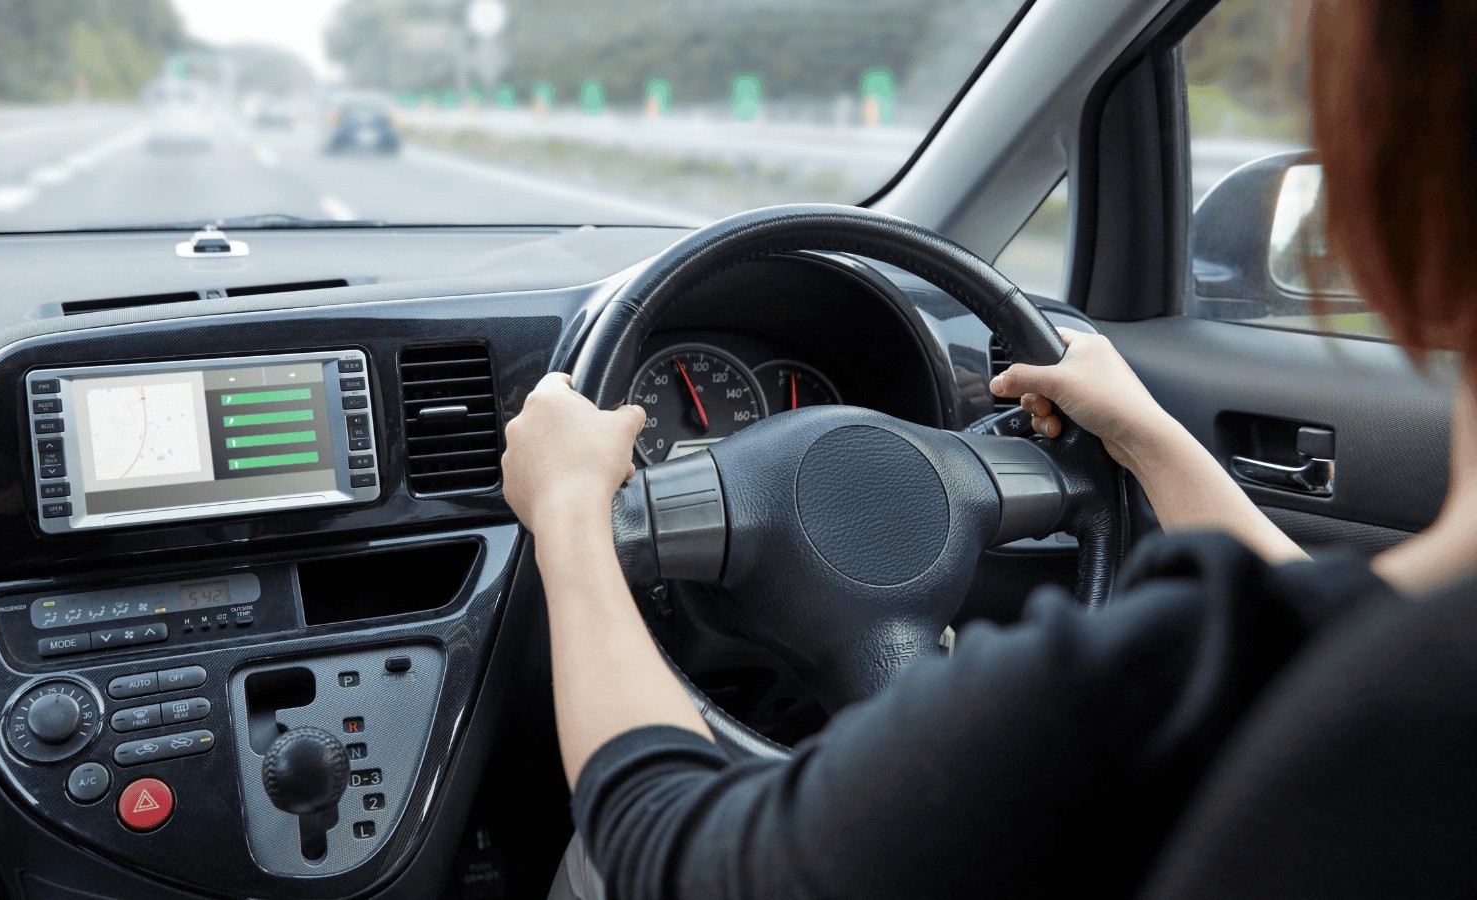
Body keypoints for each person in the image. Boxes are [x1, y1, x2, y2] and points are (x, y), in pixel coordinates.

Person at [502, 2, 1477, 896]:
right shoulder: (1371, 678)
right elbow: (1326, 630)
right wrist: (1142, 436)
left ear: (1402, 203)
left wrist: (572, 517)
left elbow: (669, 845)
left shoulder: (1138, 693)